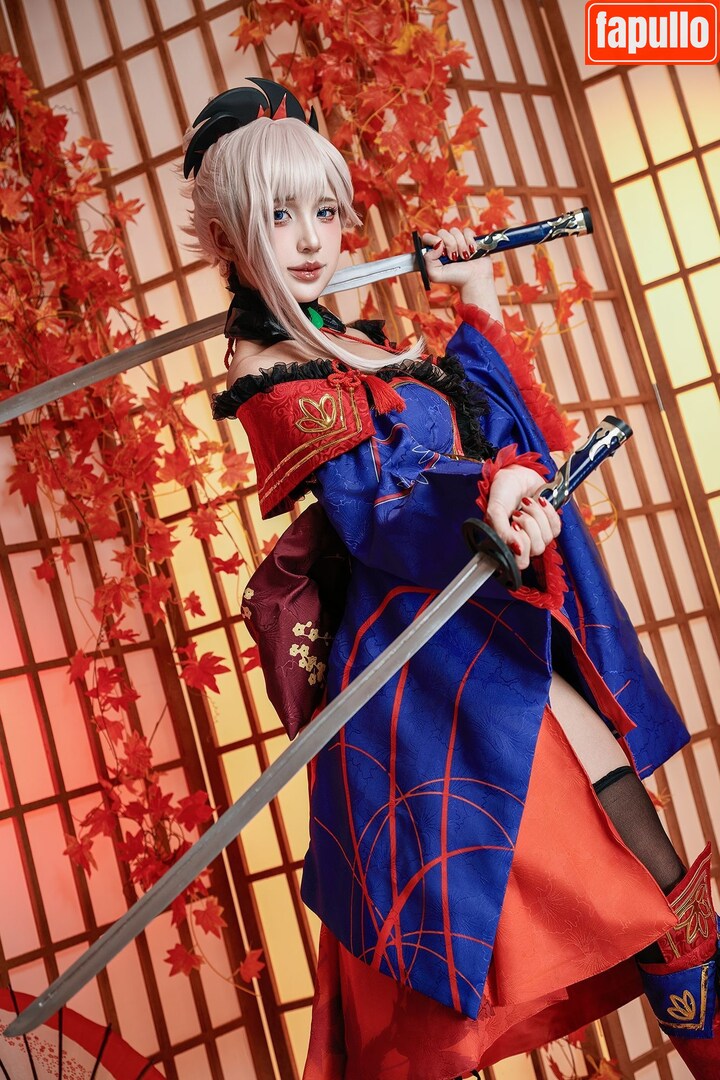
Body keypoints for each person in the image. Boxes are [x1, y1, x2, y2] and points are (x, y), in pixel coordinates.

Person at [183, 79, 718, 1080]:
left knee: (643, 857)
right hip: (422, 675)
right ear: (225, 234)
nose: (312, 239)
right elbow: (380, 507)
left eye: (325, 211)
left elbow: (477, 425)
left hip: (479, 631)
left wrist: (473, 300)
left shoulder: (344, 338)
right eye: (280, 216)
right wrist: (491, 490)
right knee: (552, 909)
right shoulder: (268, 370)